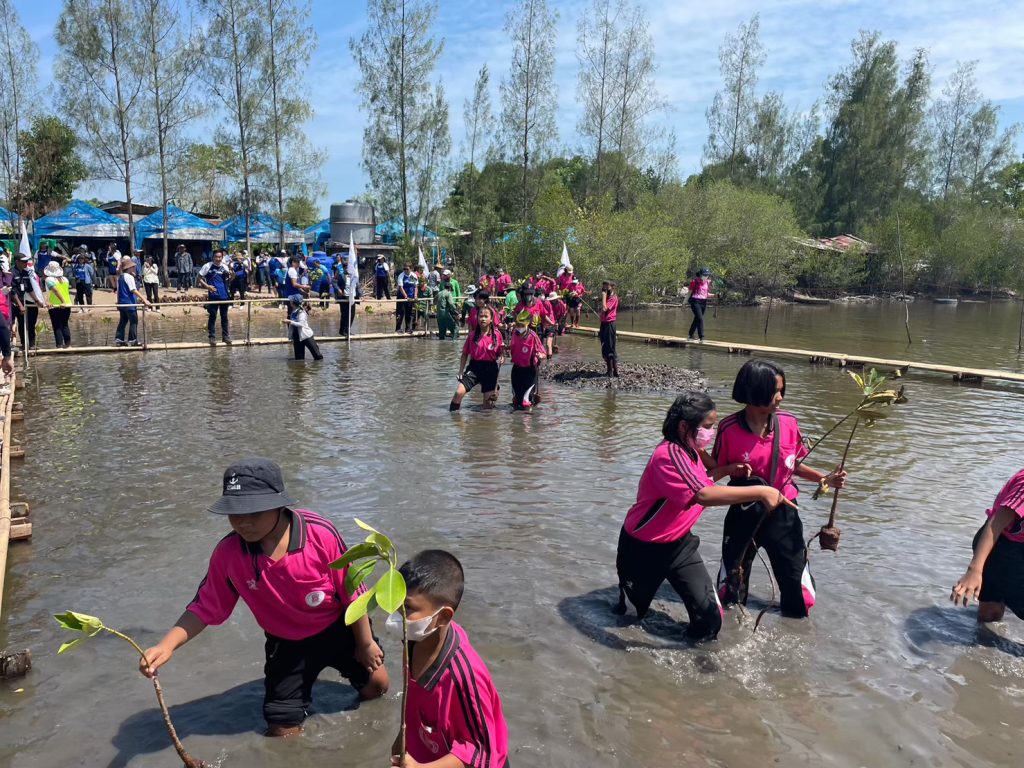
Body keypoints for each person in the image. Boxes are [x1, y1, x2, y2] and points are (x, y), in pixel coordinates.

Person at [139, 458, 388, 737]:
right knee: (281, 729)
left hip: (338, 628)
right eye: (235, 514)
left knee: (378, 687)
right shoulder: (229, 553)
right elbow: (205, 607)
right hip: (286, 643)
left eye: (254, 512)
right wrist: (166, 645)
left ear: (279, 505)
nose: (244, 523)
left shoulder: (320, 534)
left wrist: (365, 643)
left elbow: (353, 592)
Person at [615, 391, 796, 640]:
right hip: (643, 549)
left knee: (710, 620)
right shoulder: (668, 455)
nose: (711, 433)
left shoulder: (691, 451)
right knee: (630, 618)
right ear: (684, 426)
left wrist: (727, 470)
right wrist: (762, 491)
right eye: (707, 426)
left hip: (680, 545)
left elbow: (701, 480)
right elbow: (702, 494)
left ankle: (686, 657)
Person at [711, 359, 847, 618]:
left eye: (782, 391)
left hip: (784, 514)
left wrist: (824, 479)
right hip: (743, 513)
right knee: (732, 587)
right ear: (755, 391)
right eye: (776, 391)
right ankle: (731, 631)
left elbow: (794, 464)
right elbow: (715, 471)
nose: (781, 398)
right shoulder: (728, 428)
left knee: (798, 592)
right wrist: (731, 469)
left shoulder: (789, 423)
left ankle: (795, 627)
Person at [389, 550, 509, 768]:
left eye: (407, 607)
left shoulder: (464, 677)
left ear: (443, 617)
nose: (398, 614)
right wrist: (402, 738)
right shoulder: (413, 640)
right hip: (428, 748)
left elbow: (481, 754)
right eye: (396, 603)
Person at [951, 468, 1024, 625]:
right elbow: (995, 524)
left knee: (993, 603)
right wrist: (975, 570)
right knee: (991, 608)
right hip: (999, 545)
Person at [450, 305, 503, 411]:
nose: (483, 319)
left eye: (486, 316)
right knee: (458, 393)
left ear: (491, 319)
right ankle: (453, 416)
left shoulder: (497, 335)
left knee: (487, 406)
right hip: (474, 367)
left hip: (490, 368)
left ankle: (494, 392)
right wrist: (461, 371)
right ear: (477, 318)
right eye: (480, 316)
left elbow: (500, 353)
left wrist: (501, 357)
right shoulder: (472, 335)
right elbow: (464, 354)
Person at [509, 310, 545, 410]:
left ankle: (527, 417)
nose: (519, 327)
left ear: (527, 324)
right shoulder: (514, 334)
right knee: (517, 400)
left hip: (530, 369)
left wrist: (540, 355)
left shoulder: (533, 336)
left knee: (526, 400)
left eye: (522, 325)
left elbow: (542, 352)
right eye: (517, 325)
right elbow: (513, 348)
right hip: (516, 368)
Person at [115, 256, 153, 346]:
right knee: (134, 321)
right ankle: (132, 340)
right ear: (129, 268)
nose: (134, 268)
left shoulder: (120, 277)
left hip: (122, 303)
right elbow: (133, 290)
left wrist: (118, 302)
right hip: (129, 303)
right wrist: (145, 300)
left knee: (123, 321)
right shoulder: (129, 277)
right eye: (133, 267)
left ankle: (119, 339)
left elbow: (118, 291)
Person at [197, 250, 232, 345]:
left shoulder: (225, 266)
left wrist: (233, 276)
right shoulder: (207, 266)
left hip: (224, 295)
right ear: (213, 257)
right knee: (213, 316)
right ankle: (212, 337)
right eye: (216, 257)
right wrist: (207, 286)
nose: (218, 259)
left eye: (220, 257)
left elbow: (228, 280)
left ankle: (226, 337)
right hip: (213, 295)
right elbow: (199, 278)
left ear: (222, 257)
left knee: (224, 317)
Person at [11, 253, 45, 350]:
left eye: (26, 261)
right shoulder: (11, 273)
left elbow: (29, 289)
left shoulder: (26, 273)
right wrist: (20, 305)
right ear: (17, 261)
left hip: (27, 302)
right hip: (16, 303)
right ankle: (23, 344)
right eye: (23, 261)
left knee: (31, 324)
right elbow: (13, 292)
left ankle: (32, 345)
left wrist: (37, 301)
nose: (26, 263)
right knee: (22, 324)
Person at [281, 294, 323, 361]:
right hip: (297, 337)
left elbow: (301, 324)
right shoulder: (293, 311)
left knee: (318, 356)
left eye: (291, 300)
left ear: (293, 302)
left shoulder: (301, 312)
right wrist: (291, 336)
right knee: (299, 359)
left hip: (306, 336)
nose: (290, 301)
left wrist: (289, 321)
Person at [44, 261, 73, 348]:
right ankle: (68, 344)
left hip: (56, 305)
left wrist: (62, 301)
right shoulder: (65, 279)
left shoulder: (49, 279)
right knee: (64, 324)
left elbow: (55, 290)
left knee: (56, 325)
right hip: (67, 304)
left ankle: (59, 345)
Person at [337, 257, 360, 336]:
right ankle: (342, 330)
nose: (348, 269)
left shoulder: (354, 277)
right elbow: (334, 282)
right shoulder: (341, 276)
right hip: (344, 297)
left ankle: (348, 330)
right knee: (345, 314)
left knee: (352, 314)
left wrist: (360, 294)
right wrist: (338, 289)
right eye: (347, 268)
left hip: (352, 297)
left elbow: (357, 287)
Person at [599, 280, 618, 377]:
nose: (604, 289)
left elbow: (605, 308)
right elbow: (603, 310)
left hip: (610, 324)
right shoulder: (607, 297)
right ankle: (611, 371)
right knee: (604, 346)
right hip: (604, 323)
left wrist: (603, 296)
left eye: (606, 287)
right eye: (603, 287)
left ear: (612, 287)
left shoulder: (613, 297)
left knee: (610, 348)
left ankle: (612, 372)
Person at [687, 267, 711, 342]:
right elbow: (689, 293)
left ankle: (690, 335)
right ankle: (701, 338)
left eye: (707, 275)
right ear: (700, 274)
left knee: (697, 319)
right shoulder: (694, 282)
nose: (706, 276)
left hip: (703, 302)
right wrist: (683, 304)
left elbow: (706, 294)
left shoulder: (707, 282)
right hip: (695, 302)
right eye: (705, 275)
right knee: (700, 319)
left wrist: (716, 295)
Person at [435, 272, 460, 340]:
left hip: (438, 315)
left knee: (442, 333)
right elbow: (451, 304)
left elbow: (434, 301)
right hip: (445, 314)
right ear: (449, 288)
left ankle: (441, 344)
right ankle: (454, 343)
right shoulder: (448, 293)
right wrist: (456, 312)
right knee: (455, 328)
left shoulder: (439, 293)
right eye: (451, 290)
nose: (451, 291)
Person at [395, 263, 417, 334]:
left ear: (411, 269)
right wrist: (405, 296)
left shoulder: (413, 276)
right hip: (401, 297)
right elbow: (401, 287)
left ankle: (408, 328)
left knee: (409, 313)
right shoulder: (401, 276)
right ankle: (398, 328)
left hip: (410, 297)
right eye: (404, 269)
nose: (405, 270)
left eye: (407, 269)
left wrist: (415, 295)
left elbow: (415, 286)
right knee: (400, 313)